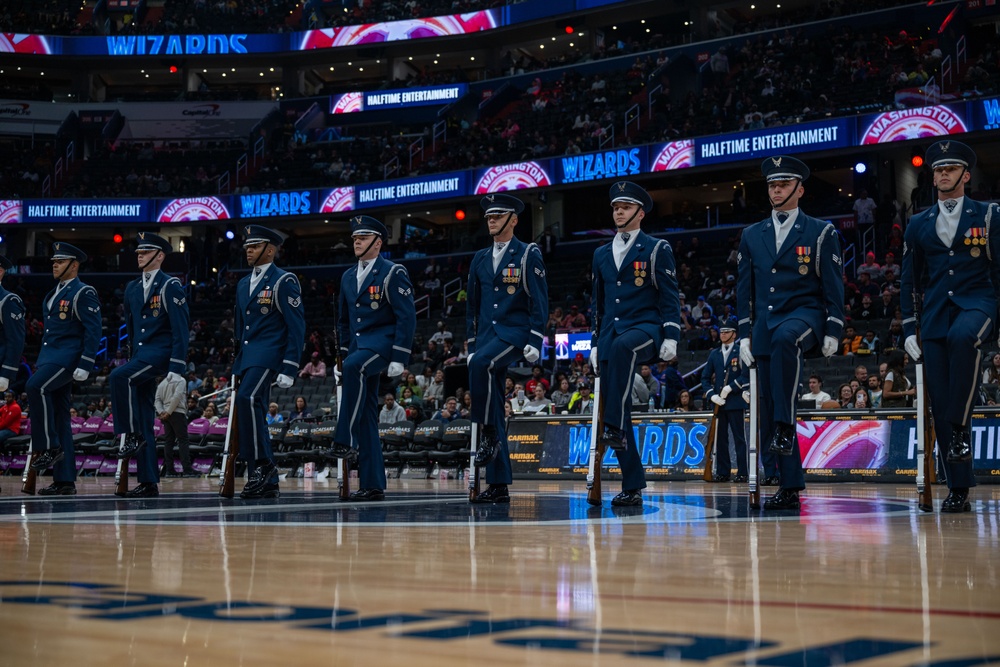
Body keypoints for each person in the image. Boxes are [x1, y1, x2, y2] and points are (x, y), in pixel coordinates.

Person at [737, 156, 845, 510]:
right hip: (766, 323)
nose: (777, 190)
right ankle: (788, 485)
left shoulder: (821, 231)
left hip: (805, 315)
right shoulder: (751, 235)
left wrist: (834, 327)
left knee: (786, 339)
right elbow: (744, 290)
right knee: (766, 404)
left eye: (783, 184)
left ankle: (785, 426)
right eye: (772, 184)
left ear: (800, 189)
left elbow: (833, 286)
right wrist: (743, 335)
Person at [901, 140, 998, 513]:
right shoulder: (918, 223)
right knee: (939, 402)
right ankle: (958, 487)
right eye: (938, 170)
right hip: (936, 313)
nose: (943, 175)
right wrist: (910, 328)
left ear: (966, 175)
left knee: (963, 337)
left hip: (979, 303)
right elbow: (910, 281)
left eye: (950, 169)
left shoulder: (989, 215)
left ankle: (959, 428)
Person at [591, 181, 680, 507]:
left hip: (646, 328)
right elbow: (596, 305)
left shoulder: (657, 248)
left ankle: (612, 426)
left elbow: (670, 296)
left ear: (640, 213)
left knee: (625, 348)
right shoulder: (600, 253)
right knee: (620, 409)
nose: (618, 212)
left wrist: (672, 335)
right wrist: (594, 342)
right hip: (611, 335)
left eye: (625, 208)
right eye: (616, 207)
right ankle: (633, 485)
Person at [324, 216, 415, 502]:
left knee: (355, 367)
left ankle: (344, 440)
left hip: (384, 344)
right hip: (359, 349)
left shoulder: (392, 272)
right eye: (354, 238)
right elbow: (343, 322)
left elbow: (406, 316)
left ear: (378, 242)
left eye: (362, 238)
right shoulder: (348, 276)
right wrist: (341, 358)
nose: (356, 242)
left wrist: (400, 355)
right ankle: (373, 483)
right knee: (366, 416)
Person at [466, 193, 548, 504]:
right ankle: (499, 485)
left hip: (515, 334)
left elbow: (540, 299)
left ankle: (487, 434)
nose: (491, 220)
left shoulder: (528, 254)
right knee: (490, 391)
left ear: (513, 220)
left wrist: (536, 339)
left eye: (498, 216)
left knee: (481, 365)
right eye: (488, 216)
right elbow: (472, 307)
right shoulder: (479, 258)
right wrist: (472, 343)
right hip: (487, 336)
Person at [110, 233, 190, 498]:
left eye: (146, 252)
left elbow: (181, 328)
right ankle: (148, 481)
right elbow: (132, 328)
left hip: (161, 354)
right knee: (145, 420)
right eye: (138, 252)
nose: (139, 255)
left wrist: (177, 367)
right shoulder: (132, 287)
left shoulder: (170, 286)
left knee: (119, 378)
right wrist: (132, 355)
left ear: (160, 256)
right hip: (141, 355)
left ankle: (128, 434)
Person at [232, 225, 306, 499]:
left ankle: (261, 466)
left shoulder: (283, 280)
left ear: (271, 250)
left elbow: (296, 326)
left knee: (248, 399)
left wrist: (290, 365)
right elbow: (241, 330)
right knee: (253, 406)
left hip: (270, 354)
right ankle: (266, 475)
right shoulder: (242, 283)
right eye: (247, 246)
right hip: (248, 358)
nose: (248, 250)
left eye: (255, 246)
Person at [27, 243, 102, 496]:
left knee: (34, 386)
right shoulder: (52, 294)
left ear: (74, 265)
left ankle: (49, 446)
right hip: (50, 358)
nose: (54, 265)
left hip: (68, 359)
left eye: (60, 261)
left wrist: (86, 362)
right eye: (54, 261)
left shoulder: (83, 292)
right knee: (61, 420)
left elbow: (94, 330)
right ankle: (65, 480)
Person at [700, 322, 749, 482]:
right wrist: (711, 395)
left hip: (735, 401)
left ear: (734, 334)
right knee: (720, 439)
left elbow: (745, 376)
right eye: (721, 332)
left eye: (727, 332)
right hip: (719, 403)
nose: (723, 335)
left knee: (739, 438)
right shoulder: (714, 354)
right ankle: (723, 472)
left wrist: (731, 387)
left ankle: (743, 472)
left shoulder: (740, 351)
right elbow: (705, 378)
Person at [155, 372, 196, 478]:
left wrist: (162, 412)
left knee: (168, 441)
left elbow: (157, 400)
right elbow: (176, 397)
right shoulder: (181, 380)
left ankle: (170, 470)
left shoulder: (162, 383)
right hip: (177, 412)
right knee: (183, 440)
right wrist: (168, 412)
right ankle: (187, 470)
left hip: (166, 414)